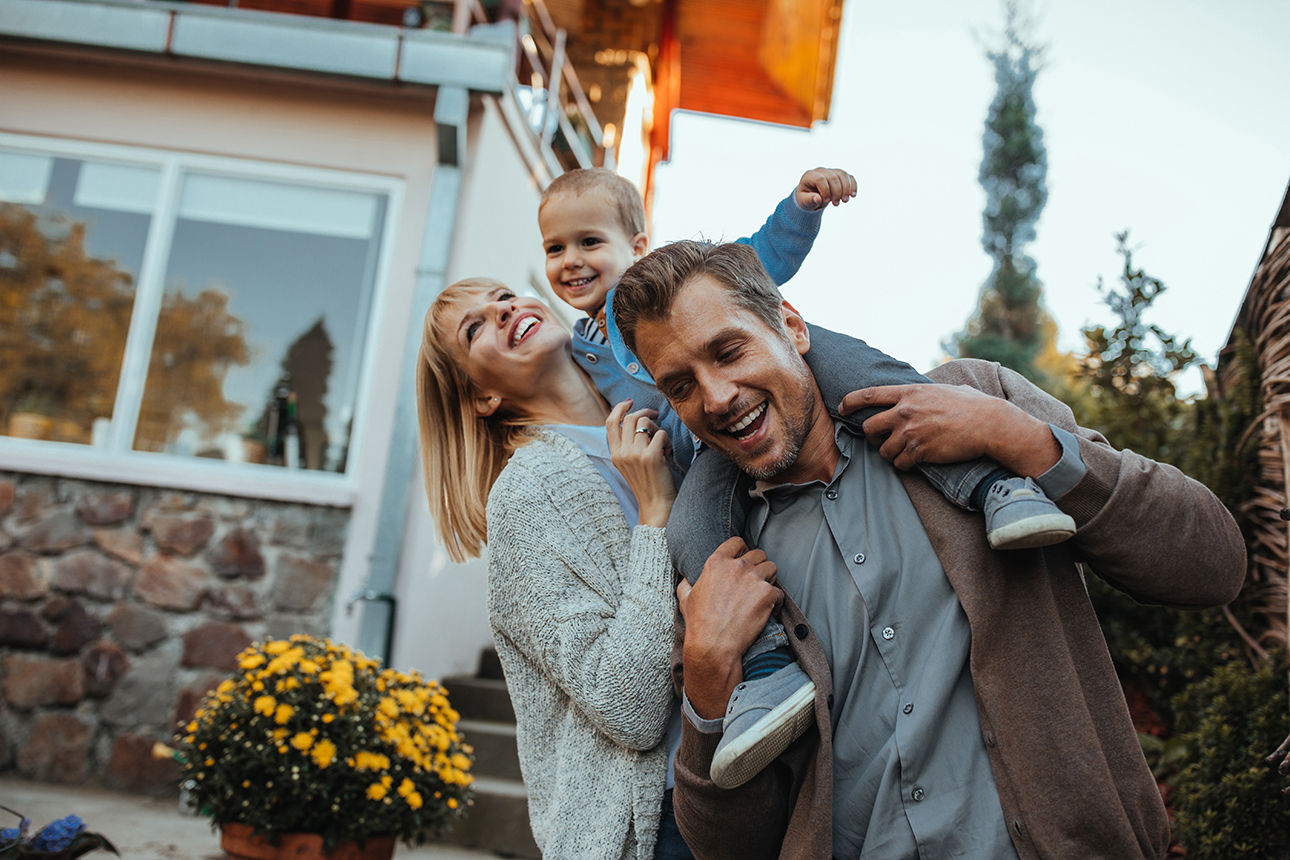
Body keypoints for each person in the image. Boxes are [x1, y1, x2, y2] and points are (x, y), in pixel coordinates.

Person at [612, 239, 1247, 859]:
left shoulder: (970, 402)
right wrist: (706, 685)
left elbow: (1214, 566)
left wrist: (1023, 440)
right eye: (681, 386)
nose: (716, 397)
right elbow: (728, 847)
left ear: (792, 327)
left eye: (728, 351)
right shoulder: (715, 565)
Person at [539, 168, 1077, 791]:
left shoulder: (688, 287)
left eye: (588, 242)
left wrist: (801, 208)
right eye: (555, 249)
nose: (571, 261)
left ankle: (993, 486)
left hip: (811, 365)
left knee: (896, 398)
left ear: (636, 246)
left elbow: (763, 257)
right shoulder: (584, 346)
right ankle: (768, 665)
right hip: (717, 448)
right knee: (691, 536)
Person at [415, 278, 681, 859]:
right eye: (476, 326)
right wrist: (654, 518)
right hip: (656, 821)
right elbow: (627, 705)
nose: (504, 309)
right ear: (483, 397)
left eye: (504, 296)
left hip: (753, 791)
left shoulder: (669, 415)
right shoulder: (531, 493)